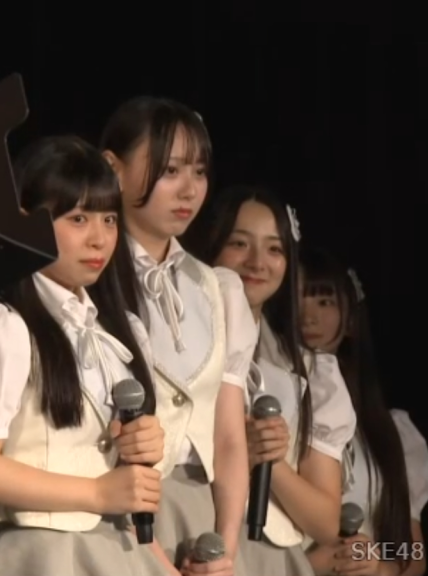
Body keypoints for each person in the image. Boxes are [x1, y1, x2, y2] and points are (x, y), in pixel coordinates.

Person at [0, 135, 175, 575]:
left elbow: (123, 496)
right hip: (40, 554)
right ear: (26, 221)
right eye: (78, 218)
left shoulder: (117, 331)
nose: (99, 239)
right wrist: (97, 493)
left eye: (109, 219)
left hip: (116, 551)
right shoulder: (1, 324)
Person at [98, 97, 257, 576]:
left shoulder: (217, 288)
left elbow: (229, 437)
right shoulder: (90, 281)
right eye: (170, 170)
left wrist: (223, 550)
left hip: (201, 515)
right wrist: (157, 563)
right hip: (115, 521)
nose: (190, 189)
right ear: (114, 168)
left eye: (200, 171)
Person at [183, 186, 357, 576]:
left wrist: (270, 459)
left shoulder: (312, 376)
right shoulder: (177, 346)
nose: (257, 262)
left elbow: (326, 523)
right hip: (188, 533)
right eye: (239, 244)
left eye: (274, 249)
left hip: (267, 559)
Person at [299, 248, 428, 576]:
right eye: (297, 299)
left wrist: (378, 568)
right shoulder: (271, 409)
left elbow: (413, 556)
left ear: (350, 321)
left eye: (324, 302)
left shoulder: (390, 432)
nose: (308, 316)